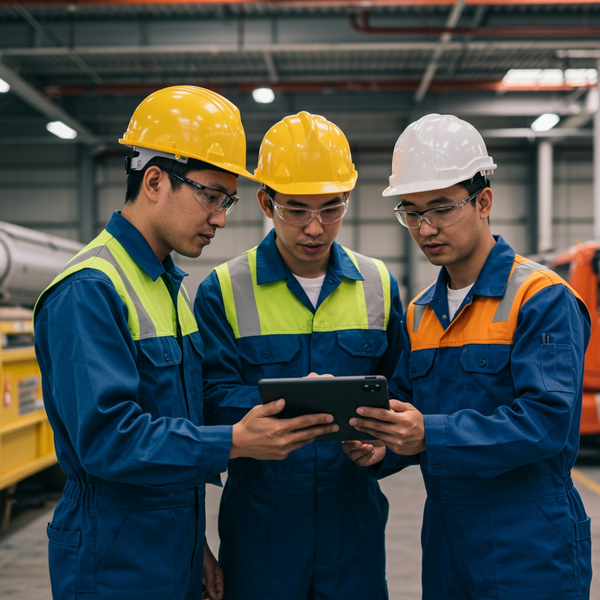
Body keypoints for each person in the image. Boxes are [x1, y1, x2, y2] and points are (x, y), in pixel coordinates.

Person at [33, 87, 338, 600]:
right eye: (211, 196)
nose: (221, 217)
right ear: (154, 180)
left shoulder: (166, 286)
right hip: (113, 556)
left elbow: (184, 414)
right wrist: (236, 442)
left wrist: (293, 400)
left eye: (228, 200)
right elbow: (110, 441)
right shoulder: (90, 290)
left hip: (170, 542)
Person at [344, 113, 593, 600]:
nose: (425, 226)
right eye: (411, 212)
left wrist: (426, 435)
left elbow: (545, 424)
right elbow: (407, 413)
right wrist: (383, 448)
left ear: (484, 201)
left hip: (529, 538)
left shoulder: (540, 298)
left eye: (441, 207)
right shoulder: (420, 313)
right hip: (446, 538)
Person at [194, 110, 403, 600]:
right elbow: (208, 397)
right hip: (263, 518)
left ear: (347, 199)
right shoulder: (224, 289)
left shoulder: (379, 285)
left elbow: (404, 392)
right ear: (266, 202)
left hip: (352, 514)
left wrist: (384, 449)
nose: (315, 227)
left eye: (330, 208)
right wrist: (292, 403)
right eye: (296, 209)